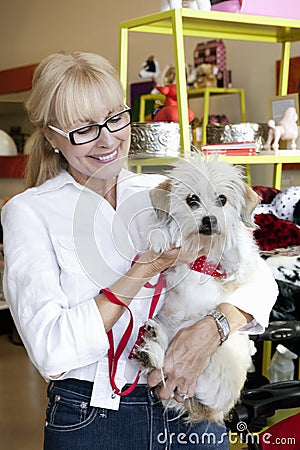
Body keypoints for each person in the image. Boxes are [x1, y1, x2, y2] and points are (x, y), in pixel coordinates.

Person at [1, 51, 278, 450]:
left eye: (116, 118)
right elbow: (53, 351)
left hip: (190, 403)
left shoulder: (160, 191)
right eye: (84, 129)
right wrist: (146, 268)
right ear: (50, 136)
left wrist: (214, 327)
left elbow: (260, 280)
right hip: (93, 420)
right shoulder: (28, 213)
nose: (108, 140)